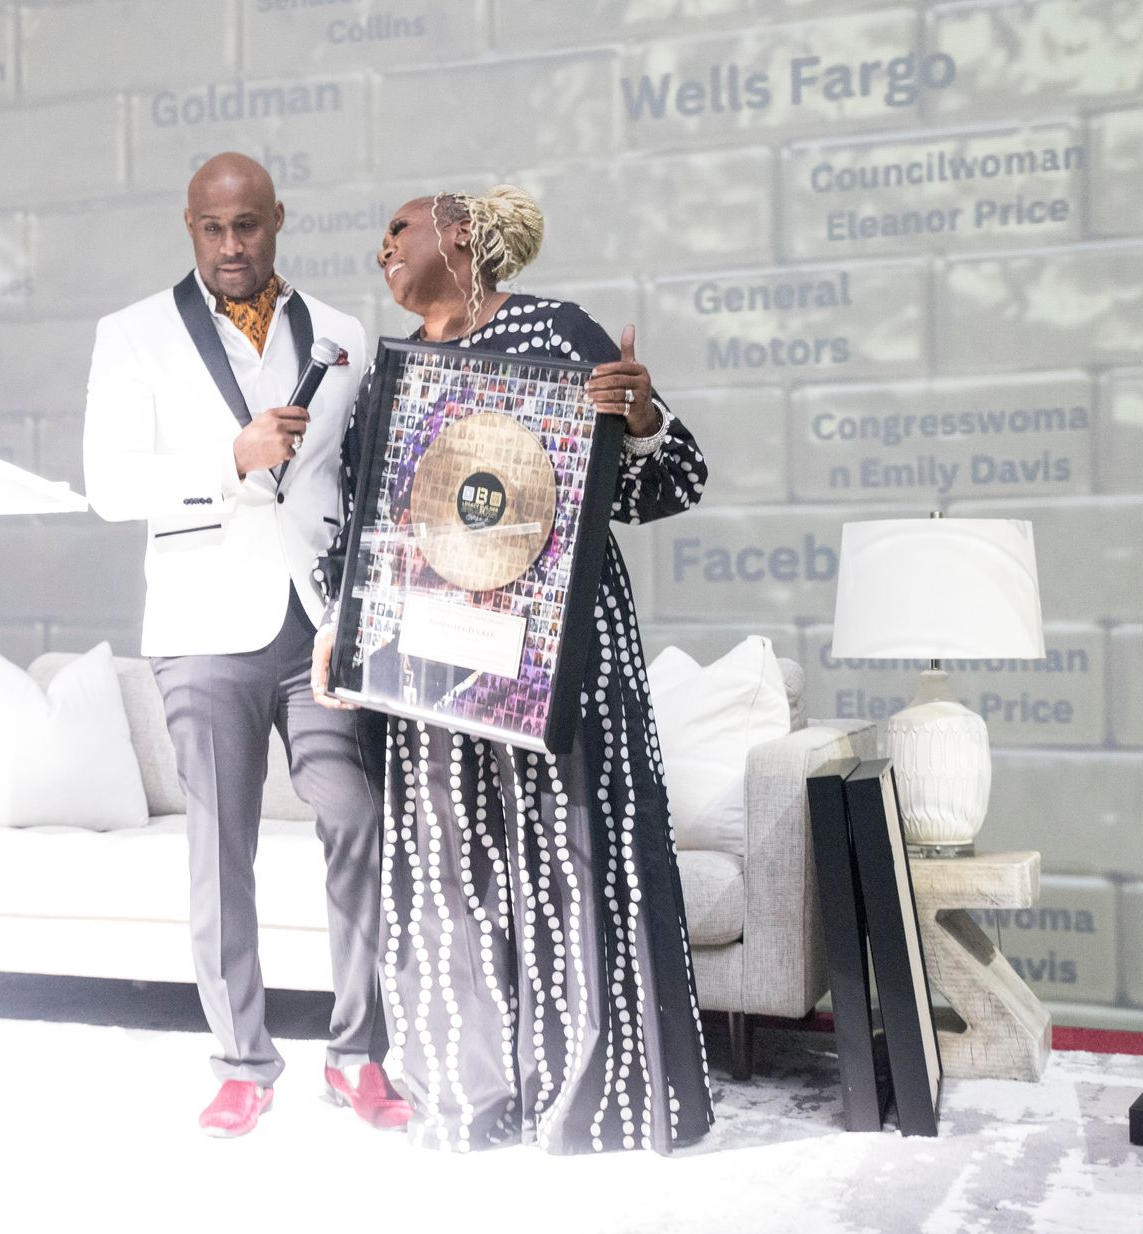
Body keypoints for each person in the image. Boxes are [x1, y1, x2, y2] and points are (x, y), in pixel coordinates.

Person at [311, 186, 715, 1154]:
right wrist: (339, 624)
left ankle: (598, 1106)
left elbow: (670, 483)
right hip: (432, 674)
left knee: (579, 859)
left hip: (558, 664)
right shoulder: (390, 372)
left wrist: (647, 415)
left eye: (398, 230)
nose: (381, 249)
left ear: (460, 238)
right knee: (448, 874)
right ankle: (469, 1101)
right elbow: (366, 523)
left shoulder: (560, 333)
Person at [82, 153, 411, 1139]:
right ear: (191, 227)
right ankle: (240, 1059)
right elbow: (108, 484)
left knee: (354, 813)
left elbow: (358, 488)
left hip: (316, 625)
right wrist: (230, 457)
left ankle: (358, 1055)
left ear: (278, 221)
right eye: (214, 229)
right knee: (220, 848)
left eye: (250, 226)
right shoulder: (133, 335)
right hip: (201, 625)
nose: (233, 246)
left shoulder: (343, 335)